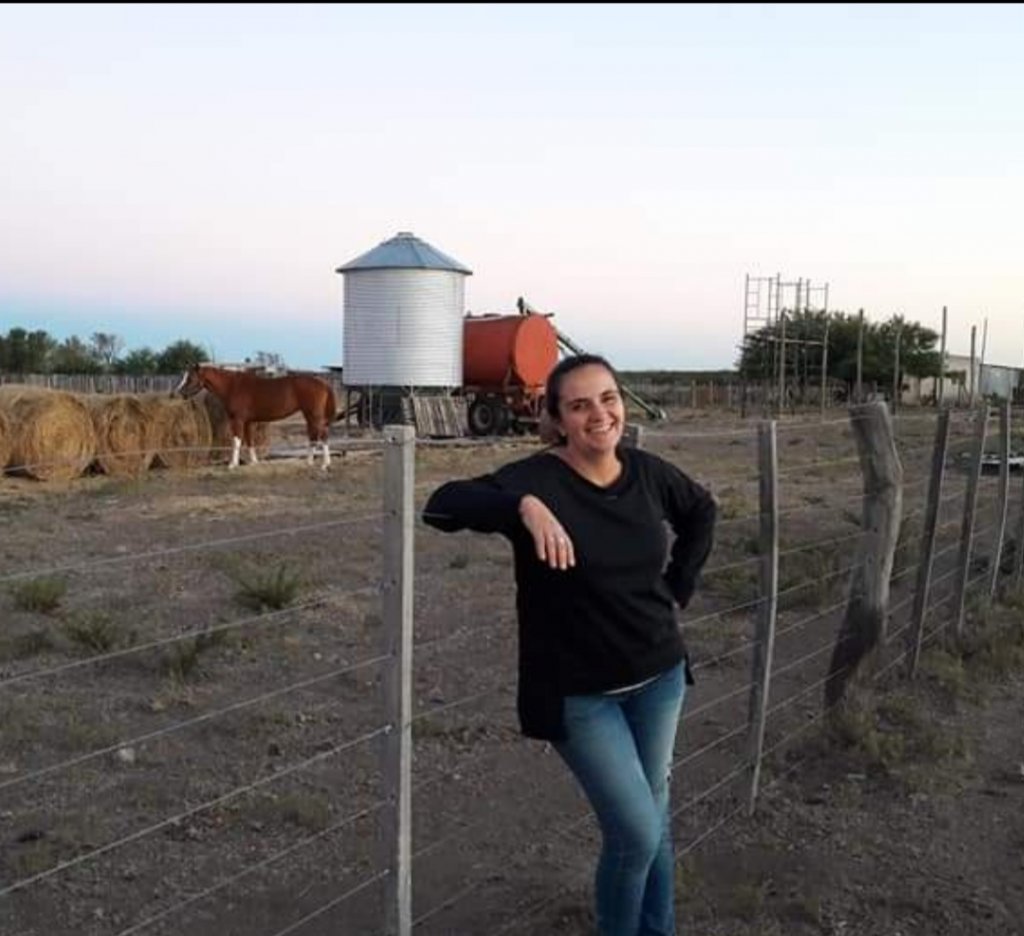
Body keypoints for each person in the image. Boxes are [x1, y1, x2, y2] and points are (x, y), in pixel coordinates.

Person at [422, 353, 716, 936]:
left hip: (658, 678)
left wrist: (677, 587)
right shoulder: (536, 480)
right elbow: (442, 504)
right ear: (555, 419)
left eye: (608, 398)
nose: (598, 414)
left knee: (652, 815)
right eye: (579, 405)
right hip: (582, 695)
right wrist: (522, 508)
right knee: (635, 831)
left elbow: (701, 510)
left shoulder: (648, 473)